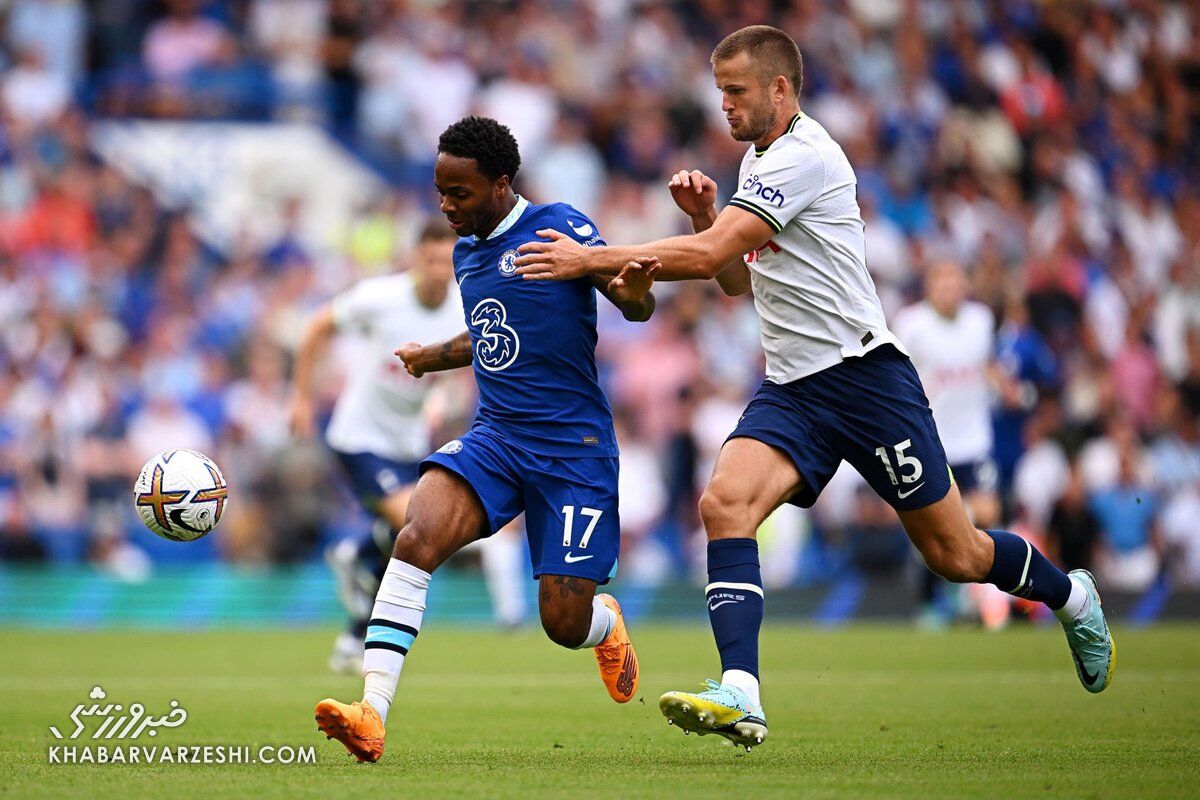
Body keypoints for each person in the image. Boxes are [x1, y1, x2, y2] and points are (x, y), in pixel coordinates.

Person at [513, 25, 1114, 751]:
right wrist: (706, 217)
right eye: (718, 92)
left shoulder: (804, 155)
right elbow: (736, 277)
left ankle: (1072, 597)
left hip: (866, 380)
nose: (724, 105)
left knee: (957, 556)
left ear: (779, 89)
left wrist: (589, 260)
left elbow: (709, 260)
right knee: (724, 502)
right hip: (795, 386)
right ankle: (742, 692)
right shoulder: (758, 159)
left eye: (735, 91)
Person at [315, 116, 658, 762]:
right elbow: (492, 336)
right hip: (497, 437)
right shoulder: (469, 251)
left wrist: (635, 292)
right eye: (440, 192)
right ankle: (371, 712)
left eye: (459, 193)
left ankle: (606, 626)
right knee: (417, 535)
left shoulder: (560, 227)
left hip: (572, 450)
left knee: (563, 622)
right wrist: (430, 355)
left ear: (502, 184)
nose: (446, 206)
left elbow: (630, 301)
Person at [290, 219, 526, 674]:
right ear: (417, 258)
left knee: (410, 536)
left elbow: (461, 368)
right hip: (358, 436)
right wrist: (300, 395)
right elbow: (319, 324)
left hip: (408, 440)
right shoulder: (380, 298)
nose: (441, 269)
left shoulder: (464, 306)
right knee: (416, 522)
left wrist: (439, 400)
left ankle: (353, 632)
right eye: (433, 259)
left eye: (448, 260)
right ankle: (358, 553)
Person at [893, 260, 1000, 625]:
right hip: (931, 438)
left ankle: (970, 595)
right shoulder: (911, 324)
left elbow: (986, 366)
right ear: (929, 287)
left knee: (985, 514)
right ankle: (932, 603)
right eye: (943, 283)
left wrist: (1007, 387)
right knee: (932, 529)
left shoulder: (981, 321)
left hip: (974, 439)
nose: (950, 290)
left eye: (956, 282)